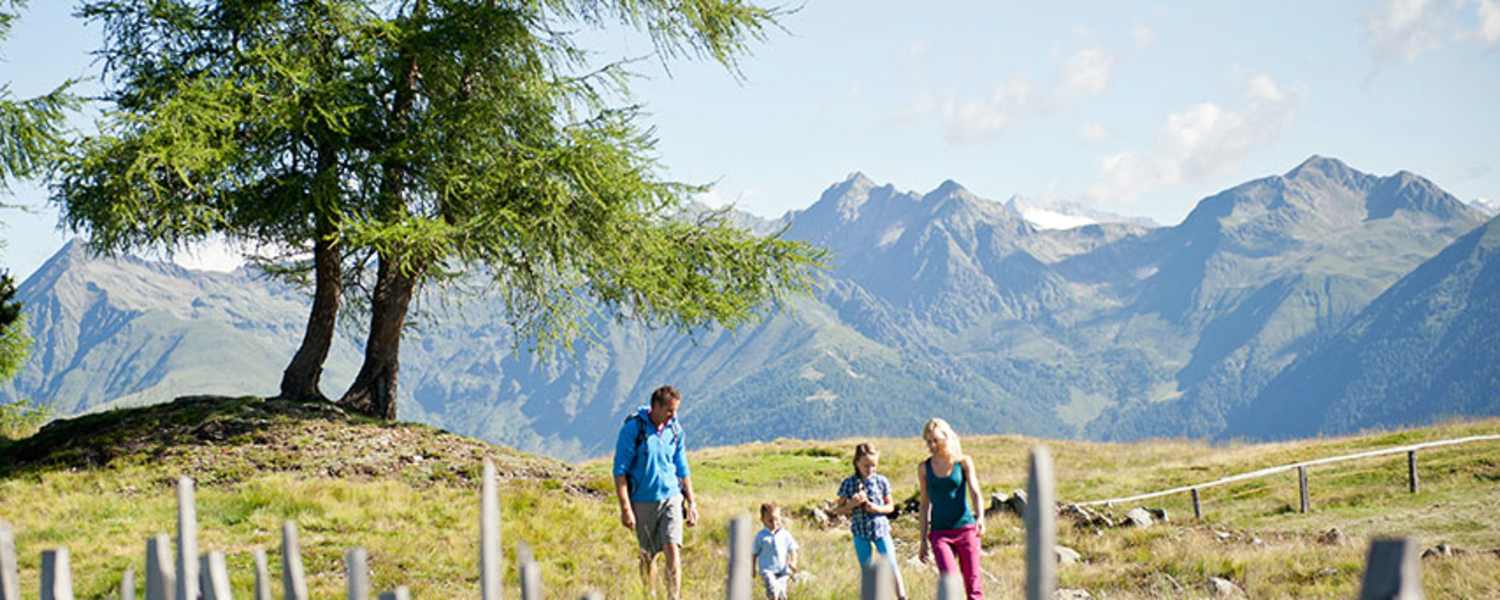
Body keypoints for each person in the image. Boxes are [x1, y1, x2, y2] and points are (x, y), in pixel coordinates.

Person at [613, 385, 698, 600]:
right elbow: (620, 470)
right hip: (643, 500)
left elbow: (682, 467)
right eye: (670, 410)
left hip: (671, 497)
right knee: (648, 555)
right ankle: (649, 594)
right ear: (656, 407)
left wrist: (692, 502)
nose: (673, 415)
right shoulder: (634, 428)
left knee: (672, 548)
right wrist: (625, 508)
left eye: (676, 410)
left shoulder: (675, 430)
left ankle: (673, 597)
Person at [917, 418, 986, 600]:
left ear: (946, 437)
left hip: (966, 529)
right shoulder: (924, 468)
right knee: (949, 582)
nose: (932, 445)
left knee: (973, 584)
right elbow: (924, 505)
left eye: (935, 440)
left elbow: (975, 492)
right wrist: (923, 539)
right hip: (940, 533)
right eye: (928, 441)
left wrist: (980, 518)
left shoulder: (963, 462)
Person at [832, 443, 909, 600]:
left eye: (873, 465)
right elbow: (838, 510)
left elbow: (890, 507)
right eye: (866, 465)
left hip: (881, 530)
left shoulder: (881, 481)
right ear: (857, 463)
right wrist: (852, 504)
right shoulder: (849, 483)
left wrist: (876, 509)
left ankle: (902, 596)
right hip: (860, 532)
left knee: (891, 563)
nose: (870, 469)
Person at [752, 503, 799, 600]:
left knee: (782, 595)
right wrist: (752, 569)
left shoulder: (785, 534)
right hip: (767, 570)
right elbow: (754, 553)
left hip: (783, 570)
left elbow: (792, 549)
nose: (774, 523)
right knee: (773, 591)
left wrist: (793, 562)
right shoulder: (761, 536)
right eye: (770, 520)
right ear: (763, 520)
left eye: (776, 519)